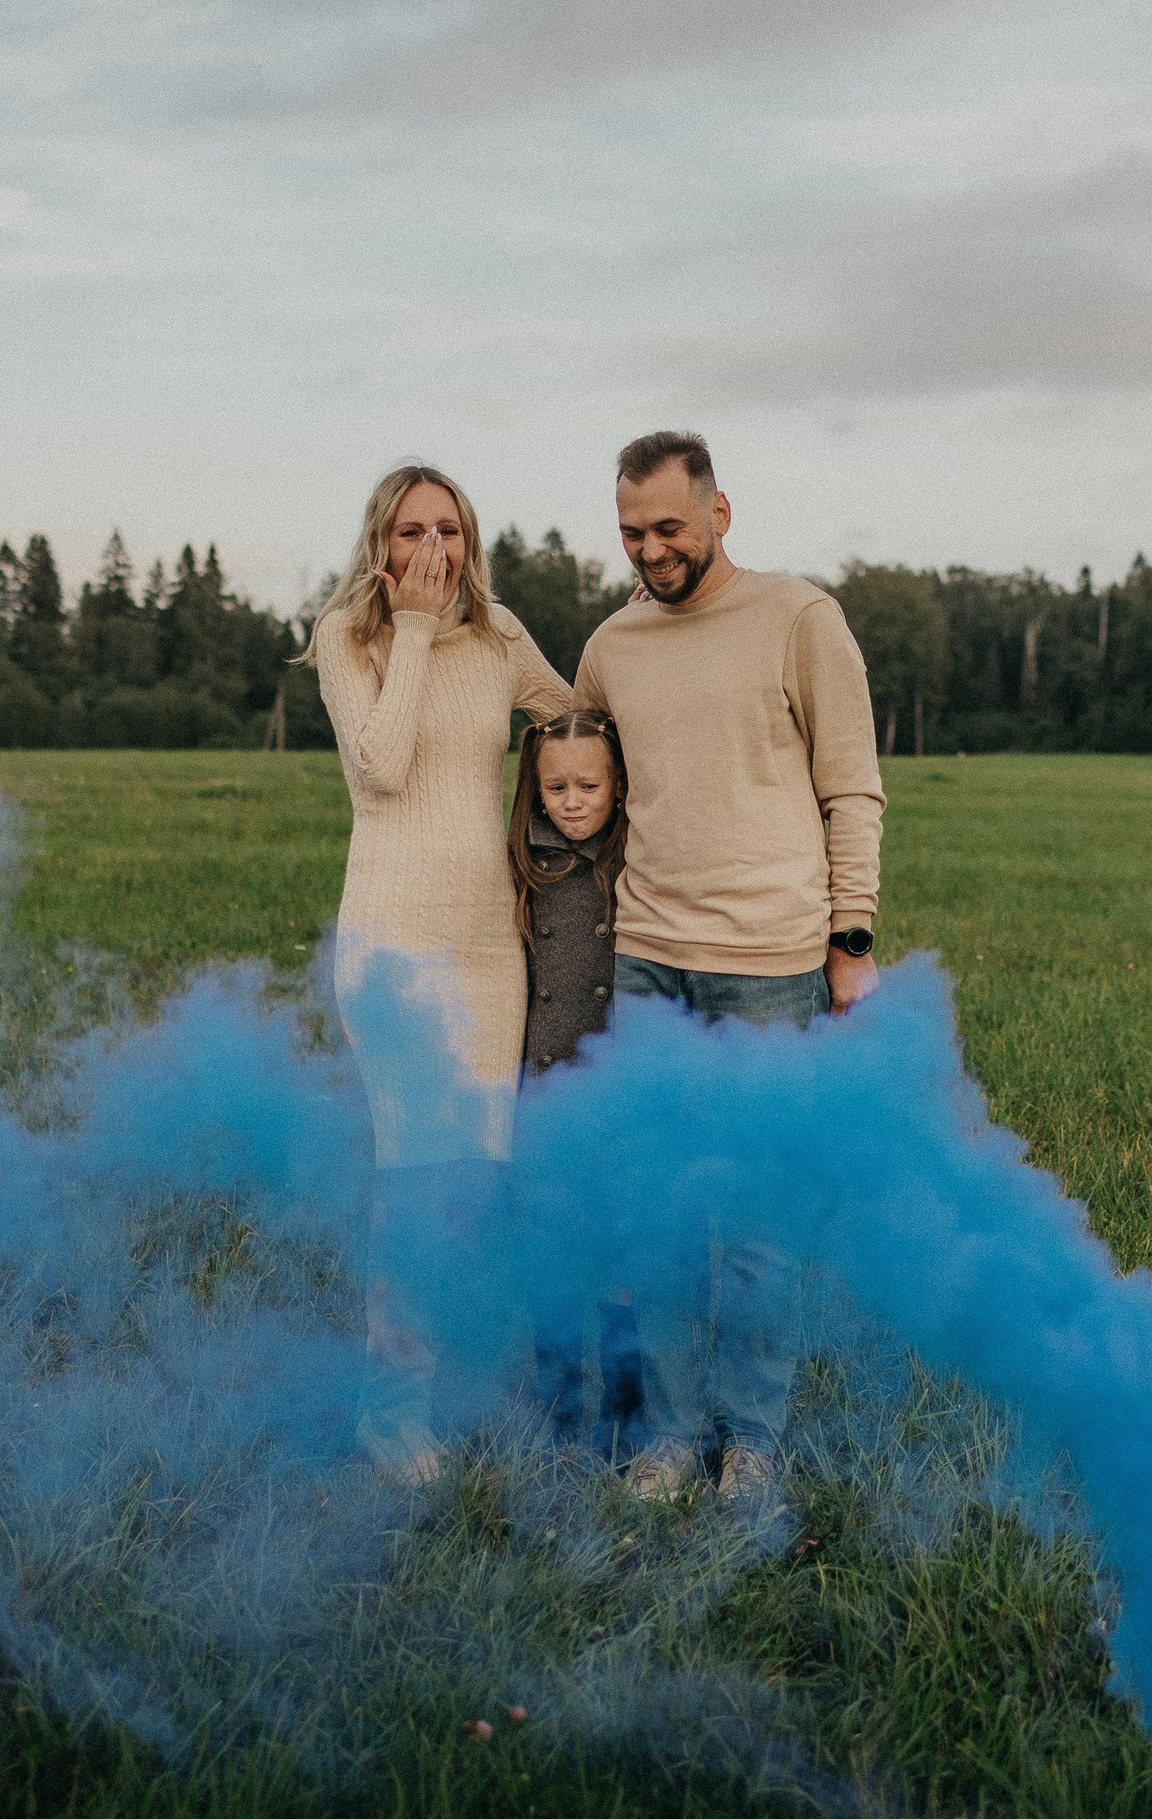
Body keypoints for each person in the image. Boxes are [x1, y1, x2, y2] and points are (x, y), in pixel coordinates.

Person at [573, 429, 885, 1507]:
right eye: (631, 532)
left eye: (668, 526)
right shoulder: (612, 644)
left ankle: (750, 1440)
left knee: (756, 1229)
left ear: (719, 512)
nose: (650, 549)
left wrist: (851, 941)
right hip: (646, 962)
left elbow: (852, 787)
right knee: (659, 1220)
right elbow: (578, 769)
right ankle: (665, 1437)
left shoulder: (800, 618)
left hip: (769, 965)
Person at [306, 463, 573, 1481]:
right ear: (381, 541)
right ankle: (389, 1415)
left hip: (491, 946)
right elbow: (381, 766)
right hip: (395, 944)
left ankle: (470, 1389)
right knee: (416, 1181)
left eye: (449, 530)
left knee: (478, 1180)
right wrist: (413, 630)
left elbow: (575, 717)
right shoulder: (350, 637)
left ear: (471, 541)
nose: (432, 549)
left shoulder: (500, 635)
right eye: (412, 529)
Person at [506, 708, 639, 1452]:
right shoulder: (522, 862)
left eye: (589, 785)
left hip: (618, 1093)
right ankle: (559, 1418)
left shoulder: (639, 856)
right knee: (552, 1258)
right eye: (555, 788)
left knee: (622, 1259)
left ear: (619, 784)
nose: (573, 801)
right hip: (546, 1091)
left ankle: (627, 1419)